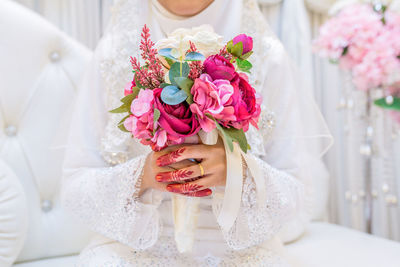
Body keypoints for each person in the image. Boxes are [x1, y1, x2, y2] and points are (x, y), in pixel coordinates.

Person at [61, 0, 333, 266]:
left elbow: (296, 192)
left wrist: (236, 172)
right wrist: (142, 176)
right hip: (133, 248)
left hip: (241, 249)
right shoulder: (113, 53)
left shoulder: (267, 54)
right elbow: (75, 188)